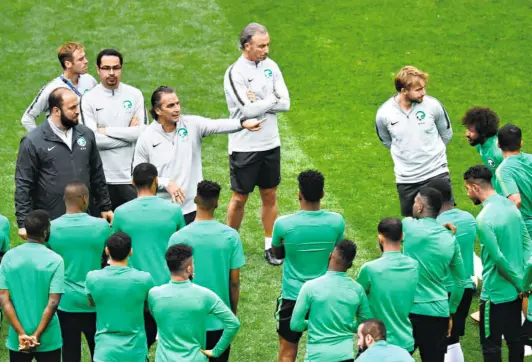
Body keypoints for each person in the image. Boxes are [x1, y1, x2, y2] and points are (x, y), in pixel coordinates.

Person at [133, 86, 263, 225]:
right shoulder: (146, 137)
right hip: (163, 211)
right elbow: (137, 177)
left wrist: (242, 123)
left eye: (177, 103)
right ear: (158, 110)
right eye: (170, 106)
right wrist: (166, 183)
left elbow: (217, 125)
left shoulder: (192, 125)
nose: (177, 108)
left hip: (192, 208)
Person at [223, 22, 291, 264]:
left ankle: (269, 246)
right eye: (262, 46)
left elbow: (287, 103)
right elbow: (248, 109)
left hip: (270, 143)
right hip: (245, 147)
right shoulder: (235, 73)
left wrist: (262, 100)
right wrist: (271, 99)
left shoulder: (271, 67)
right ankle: (228, 244)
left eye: (268, 44)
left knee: (269, 195)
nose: (267, 50)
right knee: (239, 198)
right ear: (246, 45)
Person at [15, 88, 112, 240]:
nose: (77, 111)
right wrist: (22, 222)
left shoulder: (86, 134)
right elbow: (23, 183)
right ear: (56, 111)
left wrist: (105, 206)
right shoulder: (33, 141)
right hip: (51, 221)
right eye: (72, 108)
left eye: (77, 106)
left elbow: (97, 173)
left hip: (85, 217)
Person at [271, 170, 345, 362]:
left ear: (299, 194)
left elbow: (278, 255)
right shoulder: (336, 222)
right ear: (323, 193)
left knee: (287, 351)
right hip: (325, 297)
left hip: (292, 297)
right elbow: (337, 254)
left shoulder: (283, 225)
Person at [168, 180, 245, 362]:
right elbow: (234, 282)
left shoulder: (178, 238)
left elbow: (172, 281)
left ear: (195, 199)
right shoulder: (230, 237)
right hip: (219, 320)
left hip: (187, 320)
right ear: (217, 203)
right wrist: (231, 313)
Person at [112, 162, 186, 348]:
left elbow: (114, 250)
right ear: (155, 181)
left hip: (134, 289)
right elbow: (183, 248)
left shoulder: (121, 213)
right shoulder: (174, 211)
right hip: (168, 287)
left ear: (132, 182)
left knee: (138, 344)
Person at [464, 165, 531, 362]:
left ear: (475, 187)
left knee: (491, 347)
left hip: (494, 295)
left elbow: (499, 259)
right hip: (516, 292)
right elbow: (527, 242)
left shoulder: (484, 219)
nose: (468, 194)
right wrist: (524, 282)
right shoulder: (510, 205)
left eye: (467, 189)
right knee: (515, 340)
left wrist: (520, 282)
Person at [375, 65, 453, 217]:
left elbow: (446, 133)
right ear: (403, 91)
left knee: (445, 221)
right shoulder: (384, 114)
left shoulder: (433, 105)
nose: (423, 92)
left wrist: (431, 154)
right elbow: (387, 141)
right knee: (414, 227)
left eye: (423, 88)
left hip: (437, 173)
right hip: (407, 179)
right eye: (418, 89)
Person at [403, 186, 468, 362]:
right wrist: (451, 311)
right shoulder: (450, 239)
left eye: (416, 201)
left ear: (420, 207)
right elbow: (461, 282)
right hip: (439, 313)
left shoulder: (407, 226)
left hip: (410, 311)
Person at [46, 182, 111, 362]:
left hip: (65, 301)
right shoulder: (102, 227)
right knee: (99, 352)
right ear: (84, 198)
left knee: (69, 353)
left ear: (64, 200)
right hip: (95, 300)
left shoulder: (51, 228)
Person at [148, 244, 241, 361]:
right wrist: (216, 352)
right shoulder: (205, 295)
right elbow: (233, 323)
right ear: (189, 268)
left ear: (168, 266)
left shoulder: (154, 294)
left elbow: (154, 314)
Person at [81, 48, 147, 210]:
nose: (112, 73)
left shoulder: (135, 95)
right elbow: (93, 139)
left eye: (116, 68)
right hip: (102, 180)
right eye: (106, 68)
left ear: (121, 68)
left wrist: (106, 131)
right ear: (98, 69)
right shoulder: (89, 99)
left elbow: (142, 133)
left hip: (130, 179)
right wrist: (127, 135)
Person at [290, 239, 371, 362]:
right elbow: (365, 323)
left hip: (317, 357)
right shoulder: (357, 290)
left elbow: (295, 325)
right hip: (345, 356)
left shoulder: (310, 287)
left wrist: (313, 323)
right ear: (349, 265)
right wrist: (349, 326)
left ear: (330, 256)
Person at [0, 210, 64, 362]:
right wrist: (36, 335)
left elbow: (3, 298)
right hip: (48, 337)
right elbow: (53, 302)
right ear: (45, 231)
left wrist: (21, 334)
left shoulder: (9, 257)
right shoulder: (55, 260)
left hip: (18, 338)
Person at [427, 178, 477, 362]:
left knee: (437, 342)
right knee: (453, 339)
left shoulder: (434, 225)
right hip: (465, 287)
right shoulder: (469, 219)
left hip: (442, 290)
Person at [86, 232, 154, 362]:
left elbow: (92, 302)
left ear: (107, 250)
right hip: (135, 351)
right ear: (130, 252)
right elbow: (148, 305)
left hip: (104, 351)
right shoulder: (144, 279)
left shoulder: (92, 278)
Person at [357, 218, 419, 353]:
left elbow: (356, 301)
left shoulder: (370, 269)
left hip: (375, 344)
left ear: (380, 238)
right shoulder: (414, 266)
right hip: (404, 343)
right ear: (402, 236)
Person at [21, 42, 97, 132]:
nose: (86, 61)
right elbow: (27, 118)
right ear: (68, 64)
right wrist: (40, 141)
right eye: (80, 59)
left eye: (84, 57)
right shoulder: (51, 89)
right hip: (64, 142)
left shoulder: (89, 80)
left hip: (88, 139)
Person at [496, 124, 532, 236]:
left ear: (498, 144)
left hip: (526, 229)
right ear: (521, 142)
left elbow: (516, 201)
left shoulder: (503, 170)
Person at [461, 107, 503, 193]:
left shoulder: (498, 152)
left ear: (483, 132)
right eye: (467, 129)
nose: (467, 134)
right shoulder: (480, 144)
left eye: (471, 131)